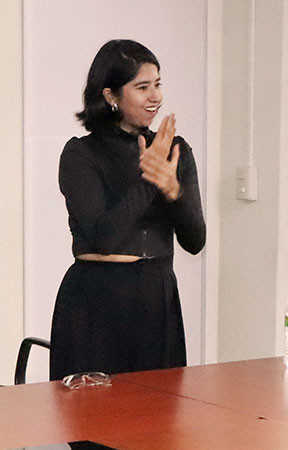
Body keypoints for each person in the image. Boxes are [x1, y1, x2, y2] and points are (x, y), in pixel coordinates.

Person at [49, 40, 206, 380]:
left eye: (158, 85)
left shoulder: (175, 151)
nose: (156, 97)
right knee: (91, 424)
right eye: (142, 87)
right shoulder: (80, 154)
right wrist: (150, 180)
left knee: (157, 422)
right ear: (111, 96)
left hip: (156, 301)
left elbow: (195, 241)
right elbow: (104, 238)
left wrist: (173, 189)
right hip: (94, 304)